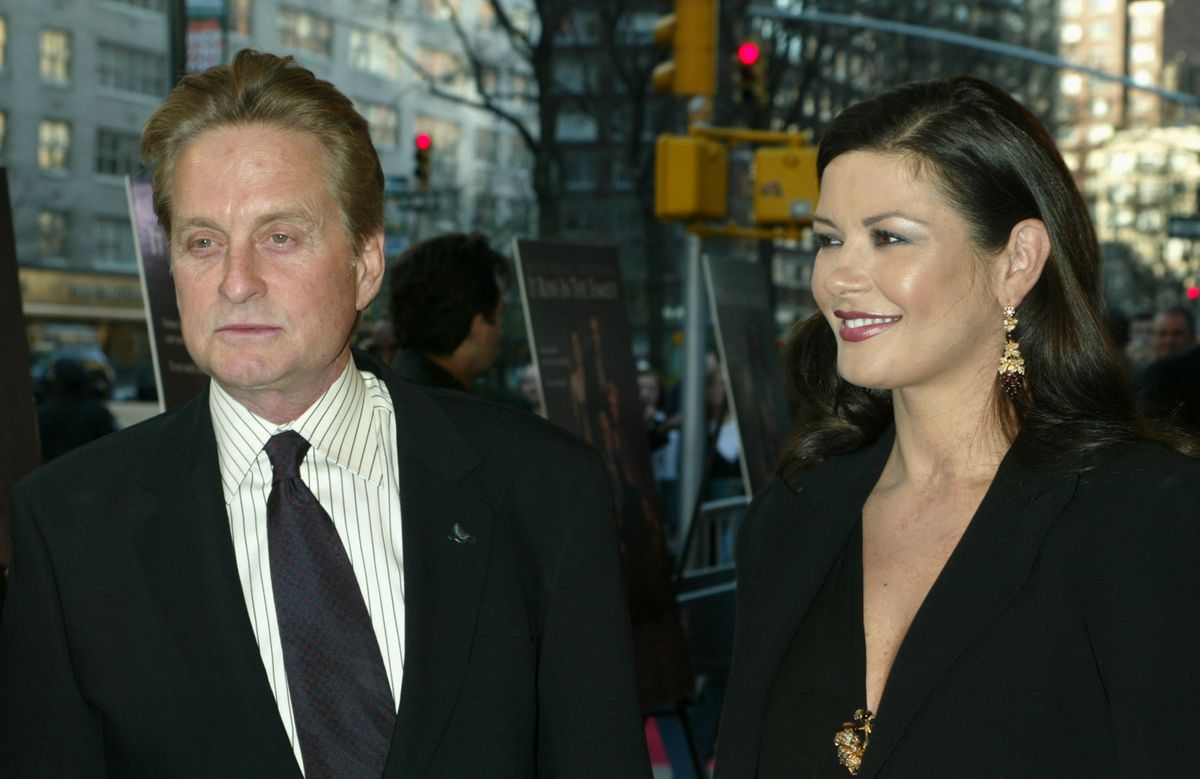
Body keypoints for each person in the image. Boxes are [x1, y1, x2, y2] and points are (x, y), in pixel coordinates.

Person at [0, 50, 649, 778]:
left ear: (366, 264)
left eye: (280, 236)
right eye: (204, 242)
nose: (237, 282)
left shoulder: (544, 492)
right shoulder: (70, 529)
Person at [715, 76, 1200, 778]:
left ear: (1017, 261)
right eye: (828, 239)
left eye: (888, 237)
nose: (839, 277)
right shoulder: (789, 520)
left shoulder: (1144, 518)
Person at [388, 231, 510, 391]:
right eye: (498, 317)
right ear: (478, 327)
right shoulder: (464, 412)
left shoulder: (393, 390)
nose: (500, 332)